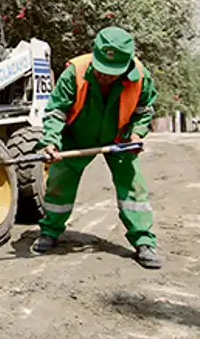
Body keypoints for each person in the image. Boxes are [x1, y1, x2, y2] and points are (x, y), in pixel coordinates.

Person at [32, 26, 162, 269]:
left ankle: (144, 241)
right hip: (77, 138)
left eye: (112, 72)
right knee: (59, 184)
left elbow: (145, 110)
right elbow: (56, 110)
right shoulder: (76, 71)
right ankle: (50, 231)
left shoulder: (141, 76)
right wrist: (51, 141)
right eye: (102, 70)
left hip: (119, 139)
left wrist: (136, 134)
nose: (105, 76)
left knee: (133, 187)